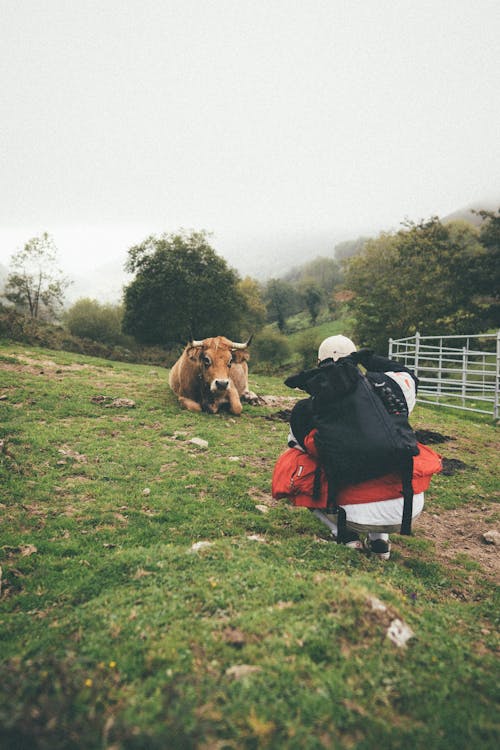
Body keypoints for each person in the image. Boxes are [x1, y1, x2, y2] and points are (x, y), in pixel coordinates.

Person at [272, 335, 442, 560]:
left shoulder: (307, 409)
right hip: (409, 507)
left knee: (296, 460)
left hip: (353, 512)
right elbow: (406, 373)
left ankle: (345, 535)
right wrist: (368, 359)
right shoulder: (394, 388)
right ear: (354, 358)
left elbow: (299, 446)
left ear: (318, 362)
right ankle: (379, 541)